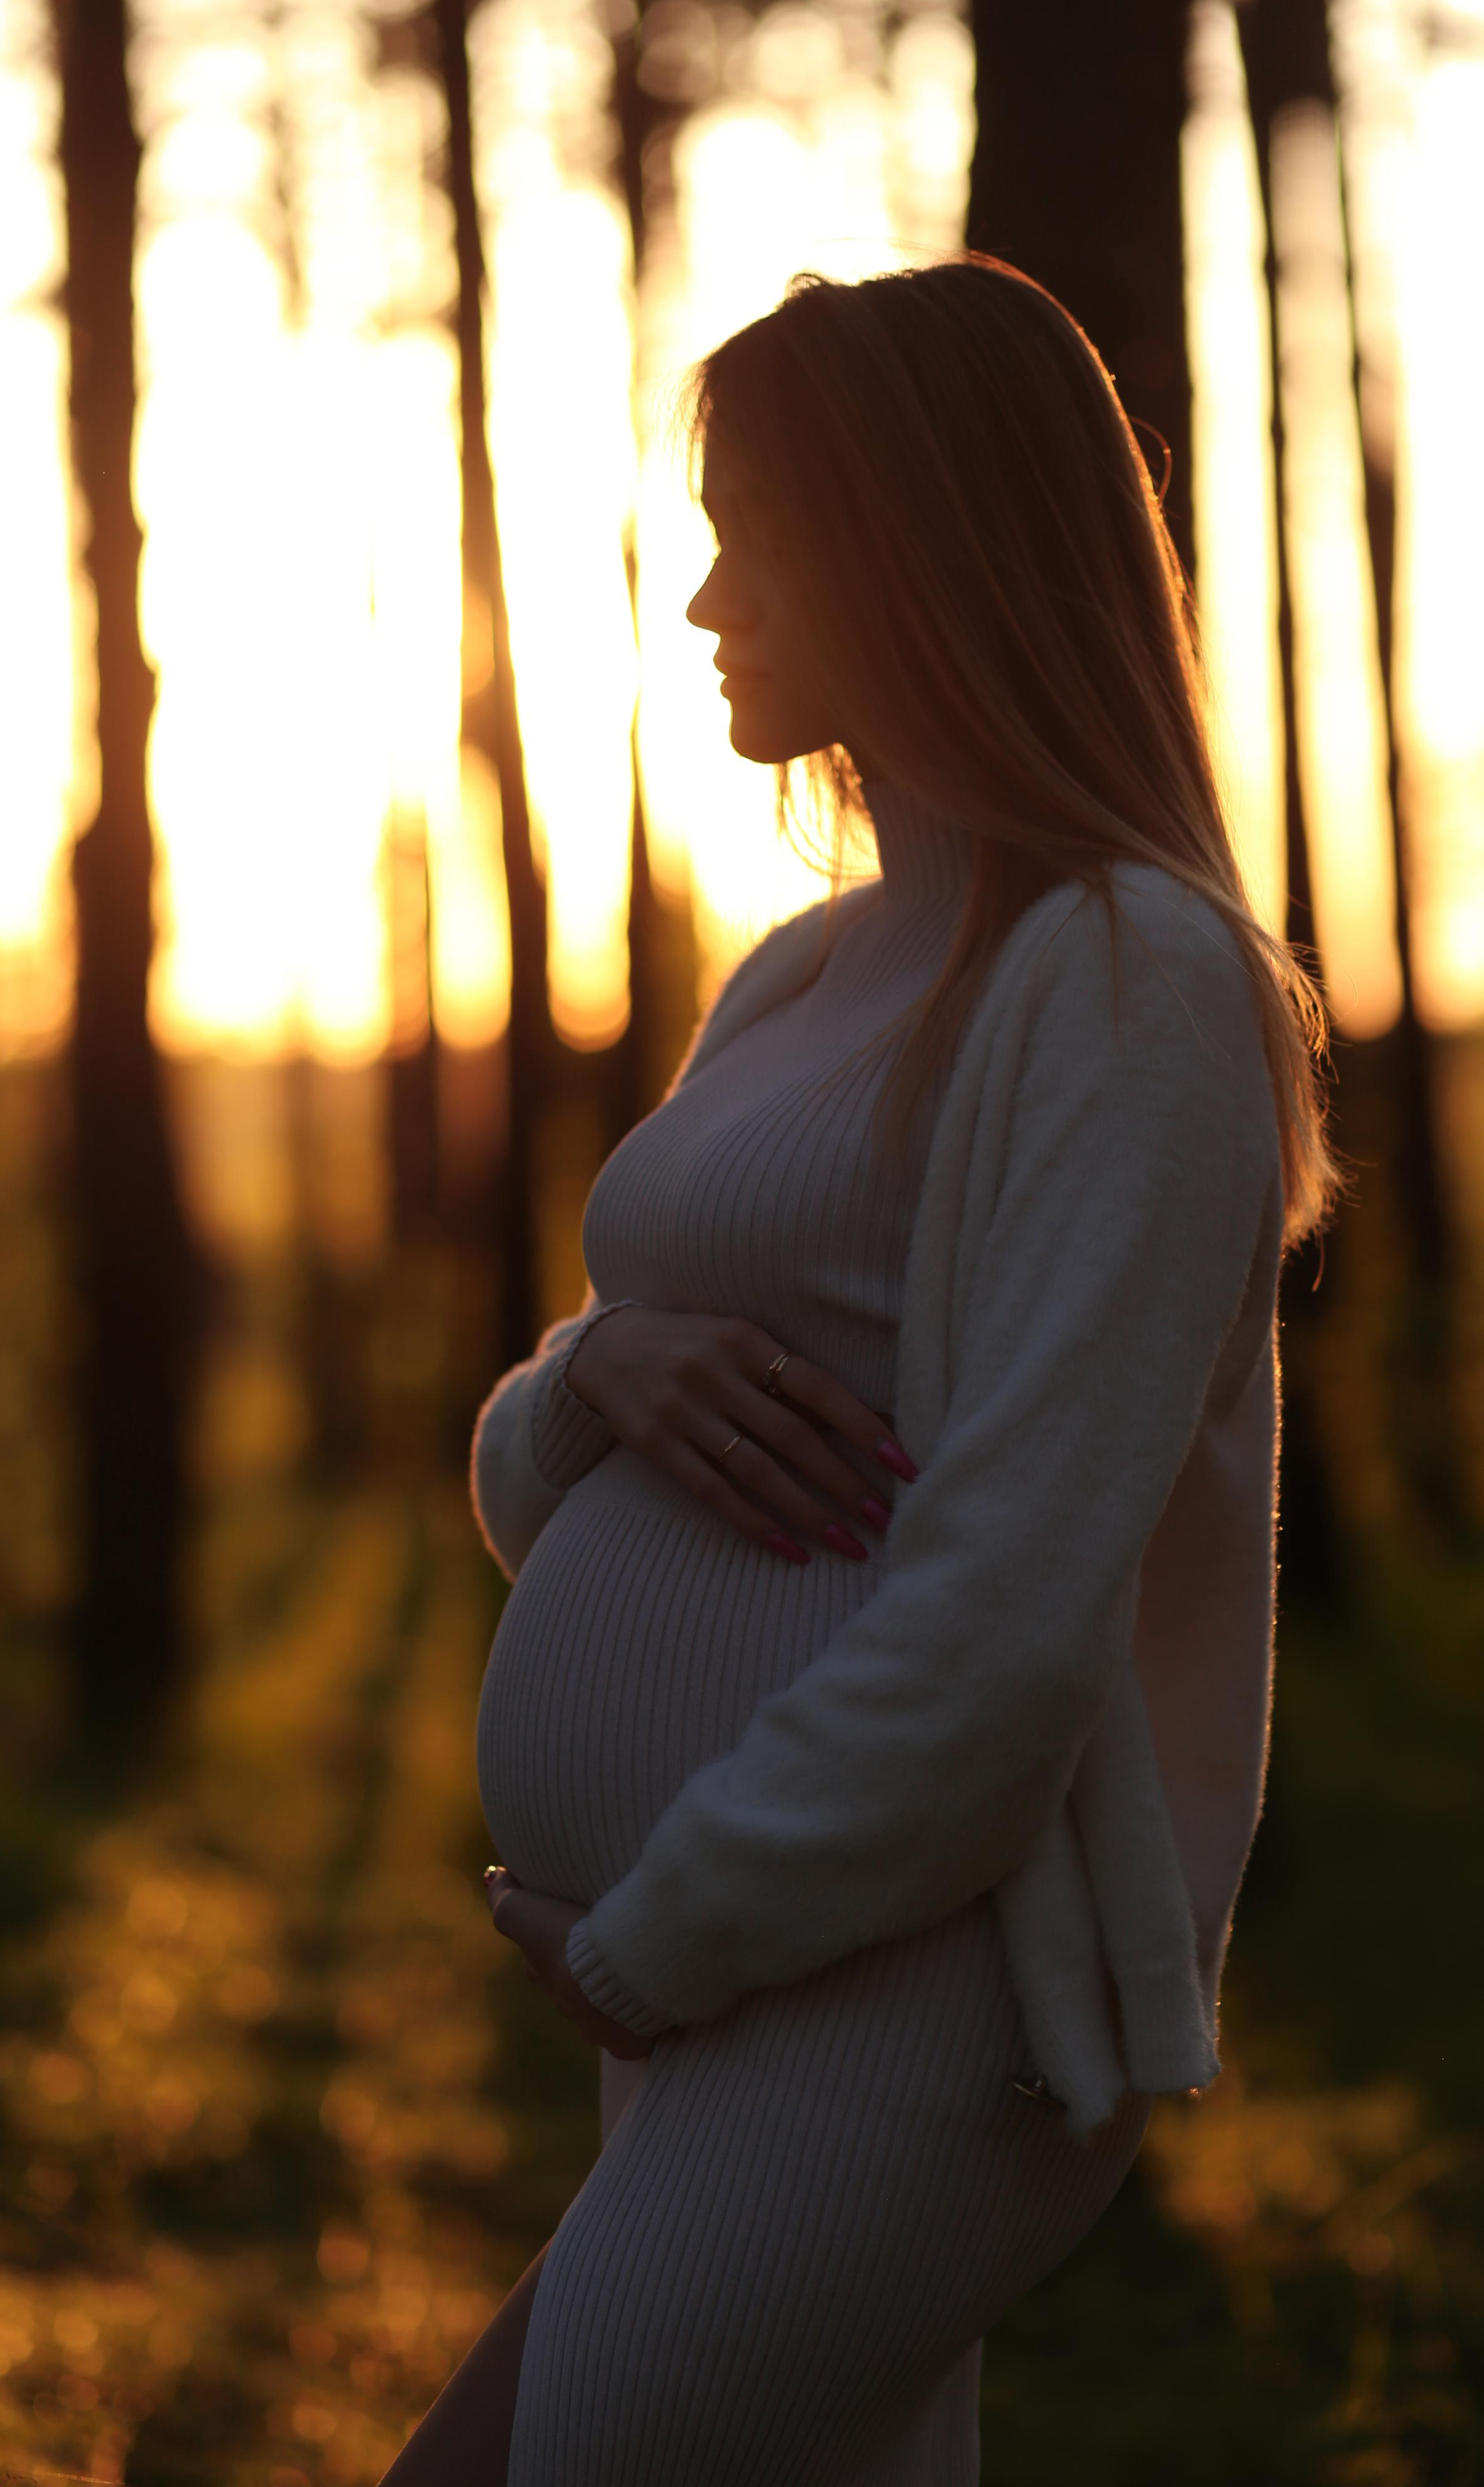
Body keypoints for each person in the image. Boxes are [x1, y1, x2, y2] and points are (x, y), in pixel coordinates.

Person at [381, 257, 1335, 2486]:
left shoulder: (1127, 977)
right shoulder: (803, 975)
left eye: (756, 528)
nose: (703, 596)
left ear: (921, 538)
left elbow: (1011, 1617)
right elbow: (558, 1492)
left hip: (908, 2006)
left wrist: (665, 1938)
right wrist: (597, 1379)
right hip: (752, 1985)